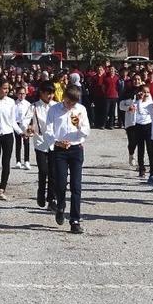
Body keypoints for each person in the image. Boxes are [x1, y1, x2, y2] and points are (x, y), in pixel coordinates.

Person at [45, 86, 90, 234]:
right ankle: (60, 205)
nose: (71, 106)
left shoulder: (81, 109)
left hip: (76, 149)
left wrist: (78, 126)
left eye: (74, 103)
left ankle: (75, 220)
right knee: (61, 183)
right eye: (69, 102)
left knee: (76, 186)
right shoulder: (54, 110)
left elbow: (86, 131)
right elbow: (48, 131)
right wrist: (57, 142)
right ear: (64, 97)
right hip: (60, 150)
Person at [22, 81, 58, 211]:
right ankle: (41, 191)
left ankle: (51, 198)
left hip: (55, 143)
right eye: (48, 93)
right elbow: (25, 120)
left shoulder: (57, 106)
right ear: (41, 93)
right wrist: (28, 128)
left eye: (52, 93)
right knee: (43, 170)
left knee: (53, 172)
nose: (50, 96)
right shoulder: (34, 107)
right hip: (40, 142)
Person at [13, 86, 32, 170]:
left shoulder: (28, 104)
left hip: (25, 124)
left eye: (23, 93)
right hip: (17, 124)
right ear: (17, 94)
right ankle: (18, 161)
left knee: (26, 142)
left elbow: (30, 115)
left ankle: (27, 161)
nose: (21, 95)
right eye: (20, 93)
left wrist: (28, 125)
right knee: (18, 143)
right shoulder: (13, 103)